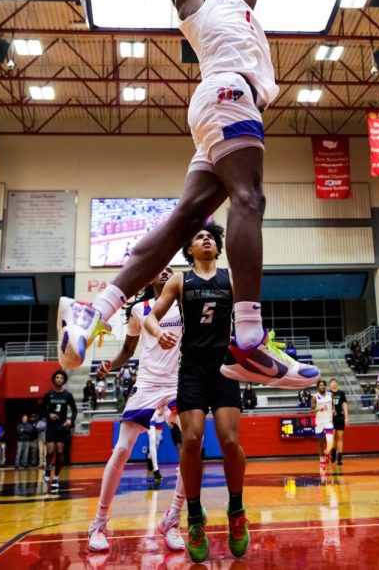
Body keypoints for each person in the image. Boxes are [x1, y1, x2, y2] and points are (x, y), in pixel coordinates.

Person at [56, 0, 319, 394]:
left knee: (184, 219)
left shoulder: (240, 7)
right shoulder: (193, 5)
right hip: (228, 94)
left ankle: (97, 308)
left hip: (220, 108)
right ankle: (248, 340)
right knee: (250, 200)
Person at [144, 223, 249, 562]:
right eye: (199, 237)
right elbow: (150, 317)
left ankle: (236, 509)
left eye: (211, 238)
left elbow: (251, 316)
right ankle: (193, 516)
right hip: (191, 368)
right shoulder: (179, 281)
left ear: (218, 248)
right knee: (191, 442)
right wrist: (157, 331)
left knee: (230, 442)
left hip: (224, 366)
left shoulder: (232, 278)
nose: (206, 240)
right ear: (188, 250)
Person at [88, 266, 186, 553]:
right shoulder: (139, 310)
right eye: (161, 269)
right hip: (145, 384)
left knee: (195, 444)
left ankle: (173, 519)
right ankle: (99, 523)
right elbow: (128, 351)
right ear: (150, 278)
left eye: (171, 269)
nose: (166, 271)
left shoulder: (185, 307)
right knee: (121, 449)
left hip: (176, 385)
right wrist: (110, 364)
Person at [42, 369, 77, 492]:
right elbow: (41, 410)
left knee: (60, 453)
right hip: (51, 427)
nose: (59, 379)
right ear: (53, 380)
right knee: (51, 451)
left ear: (64, 381)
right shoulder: (48, 394)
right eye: (57, 377)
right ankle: (47, 469)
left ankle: (56, 477)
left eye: (61, 378)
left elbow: (74, 411)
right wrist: (49, 415)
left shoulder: (68, 395)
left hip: (62, 427)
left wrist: (70, 421)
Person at [311, 380, 334, 472]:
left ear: (325, 386)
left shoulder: (330, 395)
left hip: (328, 421)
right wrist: (319, 409)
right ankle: (322, 461)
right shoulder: (314, 397)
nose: (322, 386)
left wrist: (334, 410)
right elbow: (312, 410)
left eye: (323, 385)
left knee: (330, 442)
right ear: (318, 387)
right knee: (320, 442)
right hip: (319, 422)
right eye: (320, 385)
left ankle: (327, 453)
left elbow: (333, 405)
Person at [329, 378, 348, 466]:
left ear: (337, 384)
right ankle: (333, 453)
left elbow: (344, 404)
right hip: (330, 418)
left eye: (335, 382)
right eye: (332, 382)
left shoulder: (341, 393)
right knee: (332, 437)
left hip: (340, 417)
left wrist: (346, 417)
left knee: (340, 437)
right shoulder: (327, 394)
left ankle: (339, 458)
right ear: (330, 385)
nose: (333, 384)